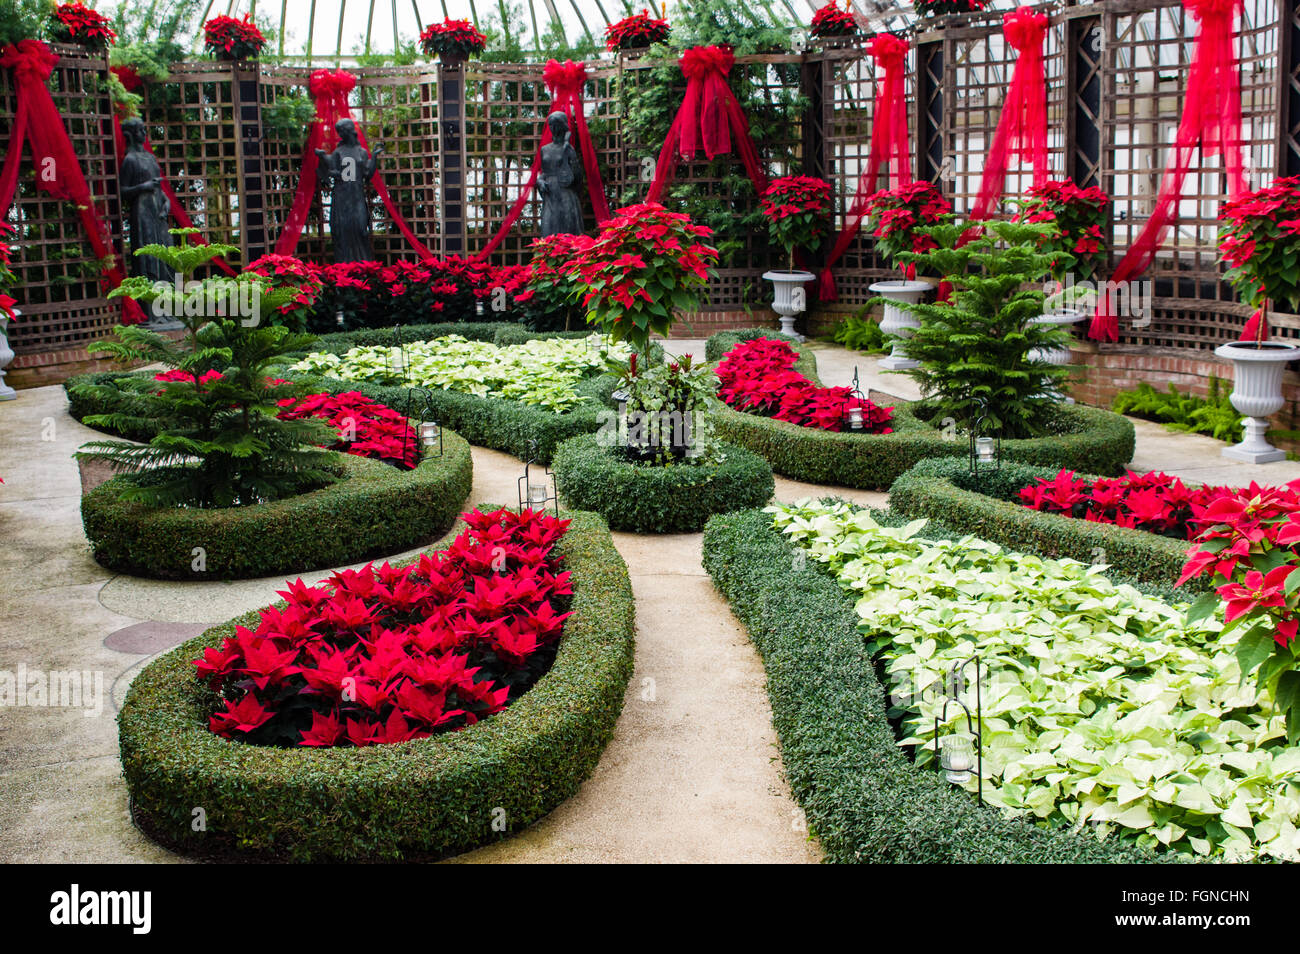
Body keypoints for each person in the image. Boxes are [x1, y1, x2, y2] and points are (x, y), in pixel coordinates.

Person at [315, 118, 383, 262]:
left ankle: (364, 265)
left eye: (341, 131)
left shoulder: (362, 152)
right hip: (342, 196)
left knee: (361, 229)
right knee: (342, 231)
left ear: (348, 131)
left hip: (357, 195)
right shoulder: (338, 152)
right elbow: (331, 169)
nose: (339, 134)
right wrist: (322, 157)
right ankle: (344, 266)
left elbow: (367, 174)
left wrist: (375, 157)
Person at [537, 110, 584, 237]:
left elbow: (578, 178)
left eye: (556, 124)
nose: (553, 128)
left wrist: (572, 158)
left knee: (568, 231)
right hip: (550, 194)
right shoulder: (544, 149)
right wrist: (540, 181)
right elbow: (543, 173)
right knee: (548, 228)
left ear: (562, 126)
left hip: (565, 193)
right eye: (551, 125)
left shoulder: (568, 148)